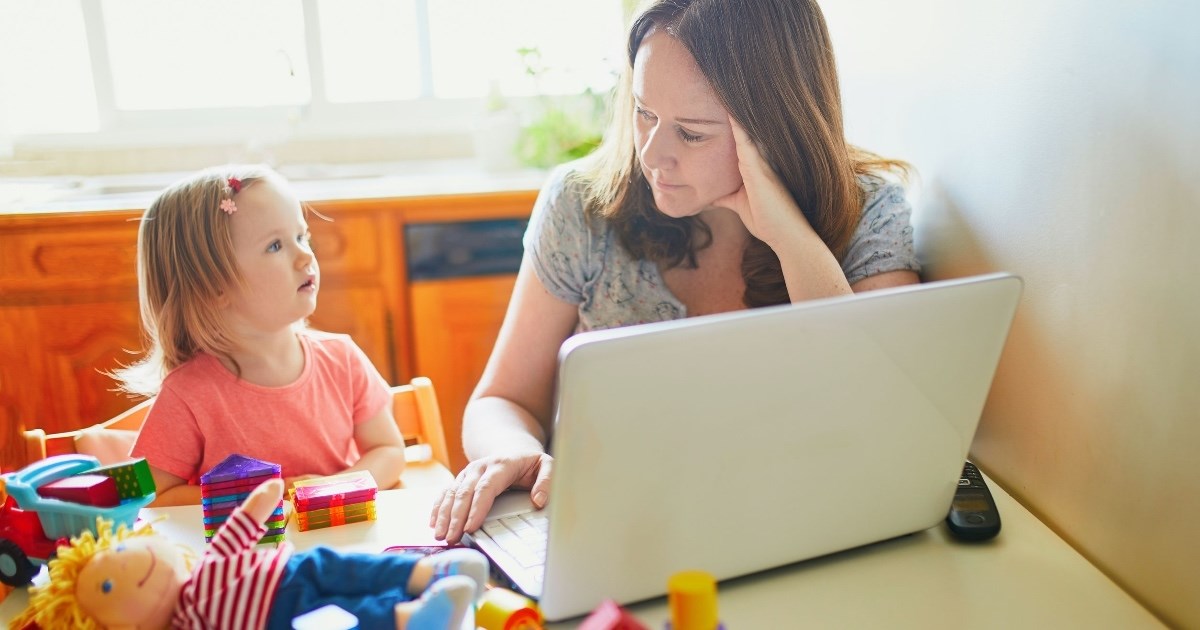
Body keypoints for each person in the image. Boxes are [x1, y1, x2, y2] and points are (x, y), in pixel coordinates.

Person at [431, 0, 921, 544]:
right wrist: (515, 451)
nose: (653, 155)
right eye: (644, 113)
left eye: (691, 132)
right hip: (619, 534)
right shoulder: (583, 204)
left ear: (777, 129)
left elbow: (878, 416)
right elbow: (503, 399)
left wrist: (788, 235)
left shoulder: (869, 211)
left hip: (796, 532)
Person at [114, 165, 407, 506]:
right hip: (246, 558)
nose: (305, 256)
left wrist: (331, 489)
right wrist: (257, 498)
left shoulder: (342, 359)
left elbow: (389, 451)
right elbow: (149, 497)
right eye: (274, 246)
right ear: (214, 287)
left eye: (302, 237)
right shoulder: (188, 394)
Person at [9, 478, 490, 630]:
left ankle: (430, 568)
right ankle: (412, 618)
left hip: (289, 564)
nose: (135, 565)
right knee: (347, 618)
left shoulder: (205, 563)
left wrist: (261, 502)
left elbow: (235, 533)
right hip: (283, 616)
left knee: (354, 566)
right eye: (109, 585)